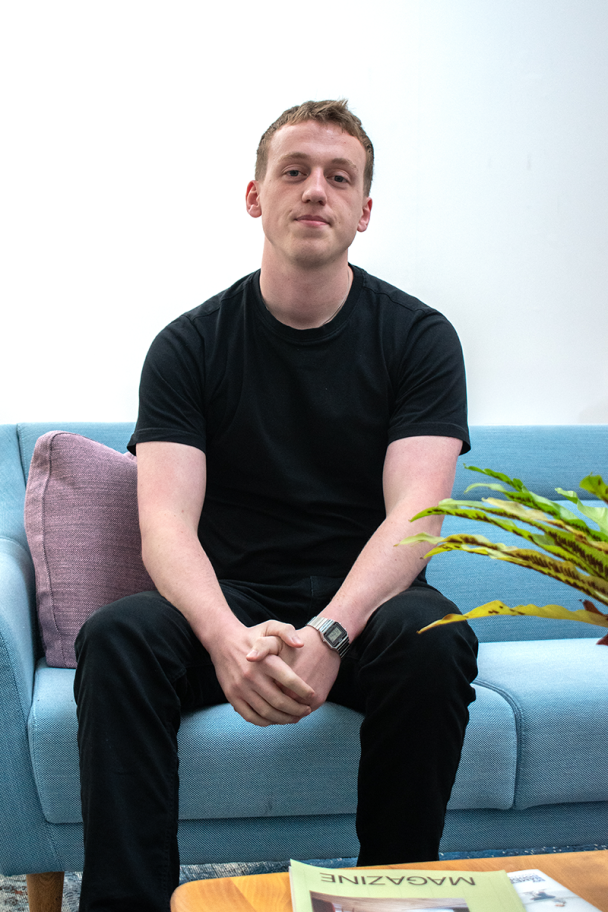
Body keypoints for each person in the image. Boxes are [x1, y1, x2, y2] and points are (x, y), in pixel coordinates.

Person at [73, 99, 479, 912]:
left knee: (435, 645)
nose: (315, 191)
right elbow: (165, 528)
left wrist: (332, 631)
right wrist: (224, 639)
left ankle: (393, 898)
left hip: (365, 599)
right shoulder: (189, 346)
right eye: (294, 172)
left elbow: (416, 519)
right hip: (233, 598)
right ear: (256, 196)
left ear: (364, 211)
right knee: (117, 637)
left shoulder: (419, 339)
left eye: (339, 177)